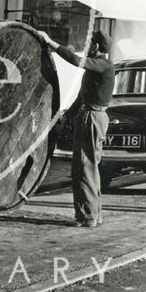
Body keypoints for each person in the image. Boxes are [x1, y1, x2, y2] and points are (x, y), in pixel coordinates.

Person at [39, 29, 115, 228]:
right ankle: (90, 214)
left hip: (93, 117)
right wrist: (67, 115)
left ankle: (88, 216)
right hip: (89, 114)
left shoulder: (104, 65)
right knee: (84, 166)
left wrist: (50, 42)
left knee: (85, 165)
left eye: (90, 44)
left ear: (97, 47)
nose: (87, 48)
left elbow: (74, 59)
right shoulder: (95, 69)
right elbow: (82, 96)